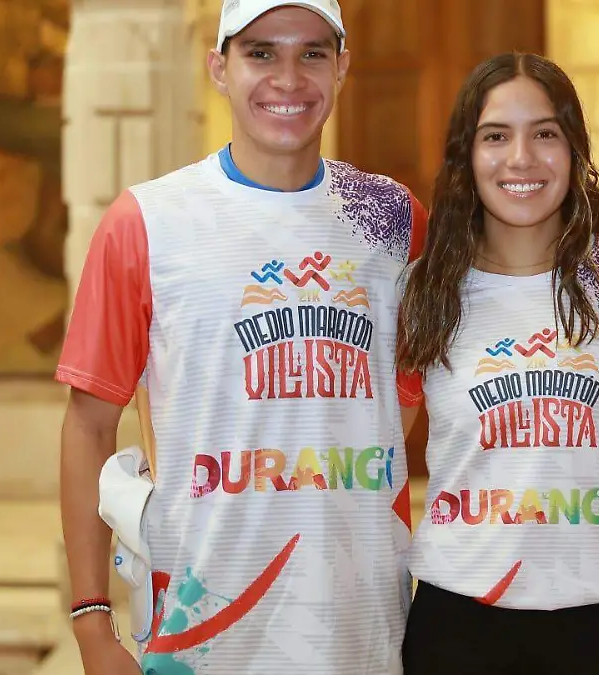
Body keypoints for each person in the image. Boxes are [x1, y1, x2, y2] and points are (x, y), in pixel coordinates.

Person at [56, 1, 426, 673]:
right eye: (260, 53)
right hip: (203, 629)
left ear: (342, 67)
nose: (288, 78)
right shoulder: (145, 221)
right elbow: (88, 424)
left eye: (312, 52)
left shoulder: (393, 219)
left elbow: (404, 397)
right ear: (217, 68)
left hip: (363, 626)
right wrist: (91, 620)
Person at [394, 52, 599, 674]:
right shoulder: (424, 292)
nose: (520, 158)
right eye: (495, 136)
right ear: (465, 157)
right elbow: (377, 453)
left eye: (544, 133)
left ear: (575, 149)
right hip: (459, 618)